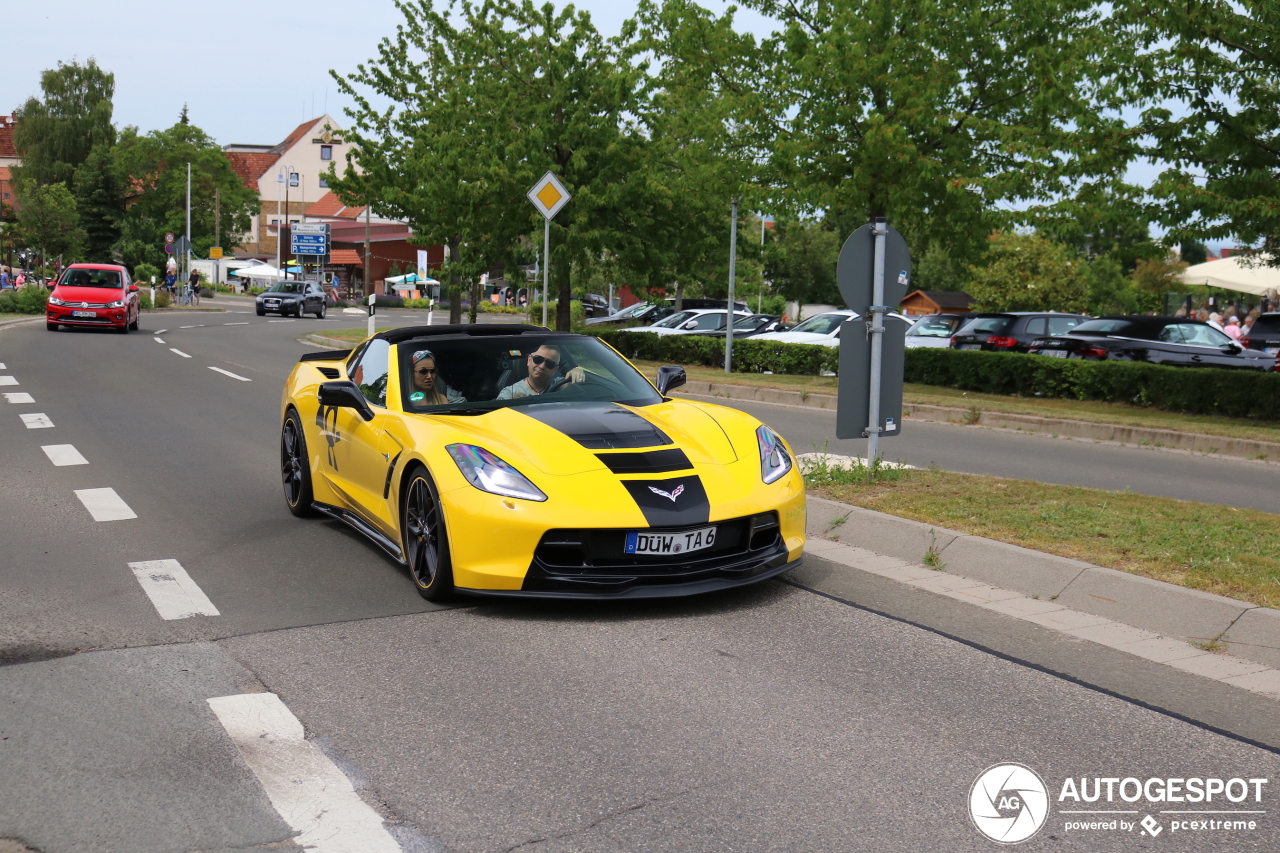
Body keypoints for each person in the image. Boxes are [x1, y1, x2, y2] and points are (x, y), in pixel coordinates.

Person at [496, 343, 586, 400]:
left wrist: (577, 372)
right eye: (538, 359)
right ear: (529, 360)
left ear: (555, 370)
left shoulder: (560, 385)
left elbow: (578, 391)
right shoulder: (510, 393)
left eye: (550, 364)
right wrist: (513, 406)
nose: (542, 366)